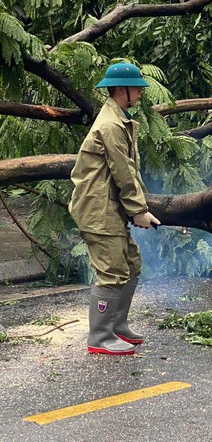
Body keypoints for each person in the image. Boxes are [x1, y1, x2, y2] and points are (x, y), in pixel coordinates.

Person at [69, 62, 161, 355]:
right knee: (112, 272)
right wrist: (137, 210)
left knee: (130, 264)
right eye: (138, 89)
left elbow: (130, 170)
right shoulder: (110, 125)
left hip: (110, 208)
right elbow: (122, 172)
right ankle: (99, 336)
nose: (142, 93)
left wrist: (141, 207)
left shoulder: (119, 118)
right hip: (98, 211)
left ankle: (117, 326)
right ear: (122, 90)